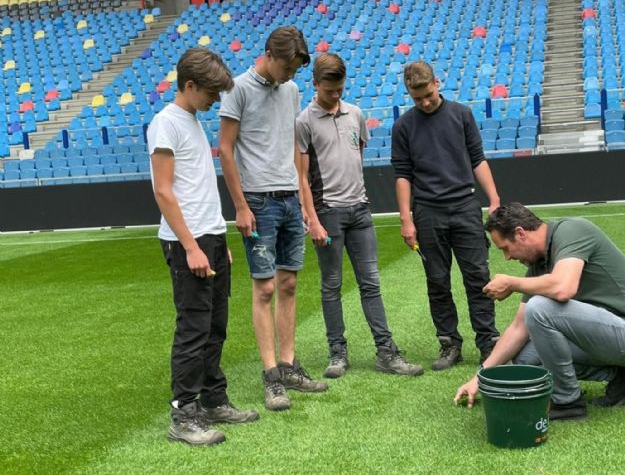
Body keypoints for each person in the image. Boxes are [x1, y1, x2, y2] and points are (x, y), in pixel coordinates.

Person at [454, 203, 625, 421]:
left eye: (505, 248)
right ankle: (624, 376)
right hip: (610, 336)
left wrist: (511, 282)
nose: (507, 257)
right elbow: (519, 328)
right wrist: (480, 377)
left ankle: (567, 402)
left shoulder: (573, 230)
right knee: (526, 358)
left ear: (520, 233)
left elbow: (564, 288)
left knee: (539, 307)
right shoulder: (538, 264)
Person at [149, 48, 258, 446]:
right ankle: (184, 415)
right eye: (211, 92)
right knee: (193, 330)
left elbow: (199, 188)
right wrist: (192, 246)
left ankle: (214, 400)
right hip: (187, 243)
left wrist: (217, 239)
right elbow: (163, 191)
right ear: (190, 85)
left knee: (215, 326)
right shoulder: (165, 123)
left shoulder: (192, 121)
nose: (215, 100)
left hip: (210, 238)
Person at [218, 26, 327, 412]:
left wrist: (303, 200)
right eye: (287, 67)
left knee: (290, 284)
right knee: (264, 288)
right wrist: (240, 206)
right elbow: (225, 150)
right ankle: (271, 376)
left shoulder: (291, 90)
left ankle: (289, 365)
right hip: (257, 202)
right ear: (268, 55)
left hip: (289, 198)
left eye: (295, 70)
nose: (290, 75)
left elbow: (292, 146)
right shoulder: (237, 89)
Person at [295, 53, 423, 379]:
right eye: (329, 91)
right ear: (315, 84)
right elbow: (301, 177)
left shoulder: (355, 113)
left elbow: (358, 156)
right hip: (328, 214)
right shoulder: (304, 122)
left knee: (371, 283)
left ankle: (386, 352)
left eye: (340, 89)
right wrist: (312, 219)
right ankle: (337, 353)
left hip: (360, 211)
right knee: (331, 285)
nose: (336, 95)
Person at [391, 60, 501, 371]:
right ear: (409, 94)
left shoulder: (461, 114)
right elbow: (403, 175)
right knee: (437, 282)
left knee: (478, 278)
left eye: (428, 95)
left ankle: (488, 343)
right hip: (427, 212)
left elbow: (477, 158)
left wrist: (494, 199)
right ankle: (449, 343)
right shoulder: (403, 127)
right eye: (417, 99)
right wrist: (406, 219)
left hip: (465, 207)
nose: (425, 103)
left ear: (436, 83)